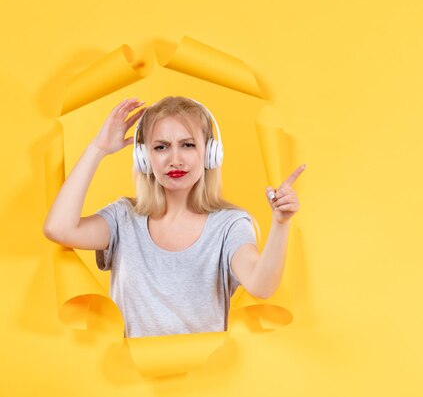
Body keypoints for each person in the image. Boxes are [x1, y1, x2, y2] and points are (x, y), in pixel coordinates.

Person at [43, 96, 305, 338]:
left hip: (205, 382)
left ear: (210, 153)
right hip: (132, 382)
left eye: (188, 145)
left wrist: (281, 223)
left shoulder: (230, 225)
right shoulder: (123, 219)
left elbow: (261, 285)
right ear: (144, 158)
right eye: (161, 147)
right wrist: (98, 148)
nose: (175, 159)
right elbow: (58, 228)